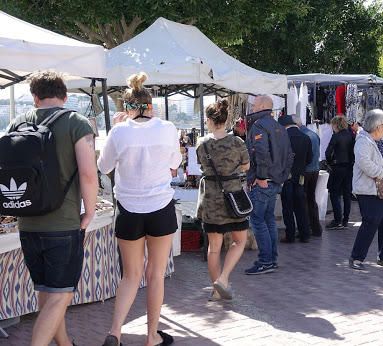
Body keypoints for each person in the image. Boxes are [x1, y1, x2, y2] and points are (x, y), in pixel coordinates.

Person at [5, 71, 97, 346]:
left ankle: (65, 343)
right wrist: (89, 211)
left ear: (35, 97)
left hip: (27, 222)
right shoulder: (76, 123)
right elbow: (89, 174)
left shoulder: (17, 123)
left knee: (46, 292)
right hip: (63, 222)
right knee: (61, 294)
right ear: (65, 95)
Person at [98, 72, 181, 346]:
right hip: (160, 206)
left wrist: (117, 128)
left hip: (129, 209)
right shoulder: (167, 128)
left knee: (130, 275)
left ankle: (115, 331)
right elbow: (174, 163)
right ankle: (151, 336)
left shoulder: (119, 131)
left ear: (127, 107)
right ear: (151, 105)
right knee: (155, 274)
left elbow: (104, 167)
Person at [196, 99, 250, 301]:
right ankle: (224, 278)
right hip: (233, 196)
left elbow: (201, 165)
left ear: (209, 120)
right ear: (227, 119)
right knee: (239, 240)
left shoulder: (202, 143)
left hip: (211, 198)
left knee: (214, 248)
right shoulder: (237, 142)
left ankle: (216, 290)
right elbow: (246, 166)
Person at [244, 95, 293, 275]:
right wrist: (280, 177)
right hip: (274, 180)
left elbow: (261, 152)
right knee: (268, 219)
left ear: (262, 106)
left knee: (258, 220)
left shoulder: (259, 125)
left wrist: (262, 177)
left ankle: (266, 260)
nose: (252, 107)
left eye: (255, 104)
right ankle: (270, 259)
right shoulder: (279, 126)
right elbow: (289, 155)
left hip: (264, 181)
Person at [348, 109, 383, 270]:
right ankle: (357, 257)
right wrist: (382, 174)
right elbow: (364, 163)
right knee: (370, 222)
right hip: (369, 190)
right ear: (378, 126)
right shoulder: (363, 141)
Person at [278, 114, 312, 243]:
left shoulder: (282, 138)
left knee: (287, 207)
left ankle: (290, 235)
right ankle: (304, 234)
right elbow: (309, 158)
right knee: (301, 206)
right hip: (300, 176)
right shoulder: (305, 137)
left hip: (286, 177)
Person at [325, 116, 355, 229]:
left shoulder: (336, 136)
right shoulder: (351, 135)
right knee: (347, 194)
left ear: (336, 125)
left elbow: (328, 152)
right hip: (349, 167)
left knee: (334, 193)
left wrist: (329, 162)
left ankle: (337, 219)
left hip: (338, 166)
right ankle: (345, 220)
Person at [298, 116, 323, 237]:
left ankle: (306, 228)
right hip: (315, 170)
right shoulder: (313, 134)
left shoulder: (302, 135)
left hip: (306, 171)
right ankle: (316, 228)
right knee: (311, 199)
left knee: (303, 199)